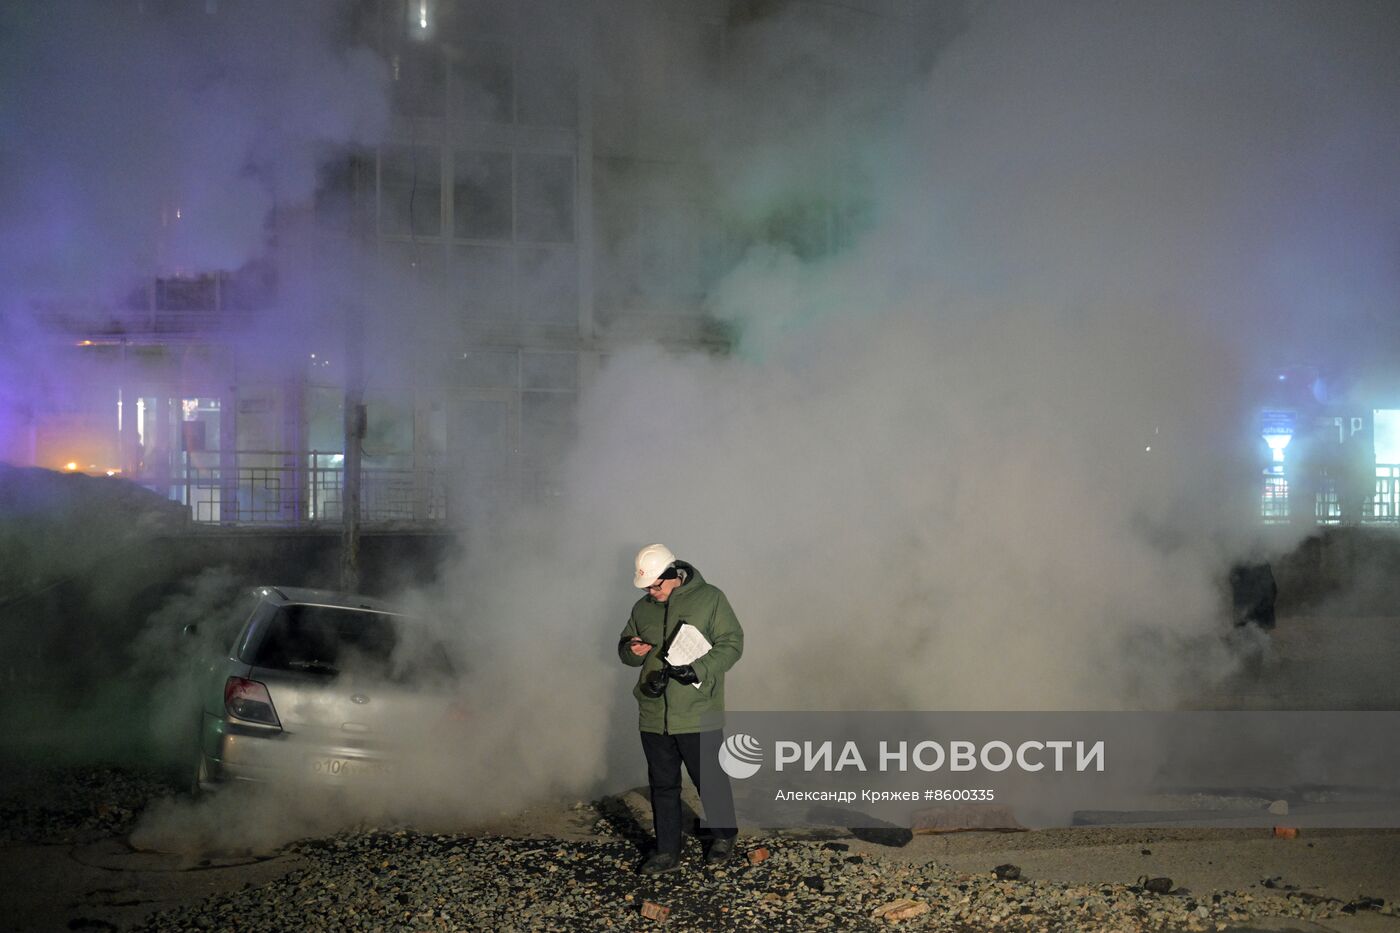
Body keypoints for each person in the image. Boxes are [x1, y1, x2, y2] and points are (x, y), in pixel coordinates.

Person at [617, 543, 744, 874]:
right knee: (662, 785)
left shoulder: (711, 599)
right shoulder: (642, 607)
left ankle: (724, 836)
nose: (652, 592)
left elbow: (732, 644)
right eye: (646, 586)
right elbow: (626, 650)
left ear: (673, 575)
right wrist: (634, 649)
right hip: (654, 713)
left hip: (698, 710)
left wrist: (698, 670)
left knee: (710, 779)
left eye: (656, 585)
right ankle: (666, 851)